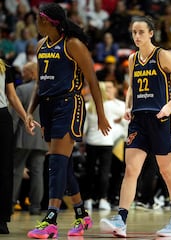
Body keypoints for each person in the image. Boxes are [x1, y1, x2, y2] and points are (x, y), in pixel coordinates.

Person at [99, 15, 171, 238]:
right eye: (134, 32)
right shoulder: (132, 59)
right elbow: (132, 85)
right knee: (131, 170)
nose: (137, 36)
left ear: (151, 33)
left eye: (141, 32)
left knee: (167, 171)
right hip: (138, 120)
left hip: (161, 118)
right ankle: (121, 219)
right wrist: (129, 104)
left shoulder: (162, 55)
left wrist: (170, 106)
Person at [25, 3, 111, 239]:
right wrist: (29, 111)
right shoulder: (41, 46)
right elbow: (40, 84)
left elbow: (92, 80)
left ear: (49, 22)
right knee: (64, 164)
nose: (35, 24)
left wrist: (101, 115)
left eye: (38, 20)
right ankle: (82, 215)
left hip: (69, 104)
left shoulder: (72, 44)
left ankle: (51, 218)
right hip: (48, 106)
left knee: (55, 161)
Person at [83, 80, 125, 211]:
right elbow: (125, 115)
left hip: (91, 142)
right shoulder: (110, 106)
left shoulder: (88, 106)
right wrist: (119, 120)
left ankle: (88, 200)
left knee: (89, 172)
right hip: (106, 142)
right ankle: (102, 200)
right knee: (104, 172)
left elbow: (84, 129)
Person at [11, 62, 47, 216]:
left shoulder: (21, 89)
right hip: (41, 138)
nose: (22, 74)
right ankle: (35, 207)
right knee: (38, 173)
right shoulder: (46, 89)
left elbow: (14, 117)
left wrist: (9, 138)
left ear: (32, 72)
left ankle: (10, 204)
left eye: (25, 71)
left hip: (23, 138)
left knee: (16, 171)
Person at [0, 60, 28, 234]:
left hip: (2, 118)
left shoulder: (5, 67)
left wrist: (26, 118)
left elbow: (12, 96)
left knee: (4, 169)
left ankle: (2, 218)